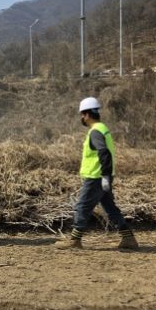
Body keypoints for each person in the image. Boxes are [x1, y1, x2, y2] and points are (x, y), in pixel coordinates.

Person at [57, 97, 139, 250]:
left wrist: (105, 175)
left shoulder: (95, 132)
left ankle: (75, 240)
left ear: (87, 114)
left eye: (82, 115)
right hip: (102, 176)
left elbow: (103, 152)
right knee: (110, 208)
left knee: (82, 206)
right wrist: (107, 176)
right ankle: (128, 238)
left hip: (96, 177)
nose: (82, 118)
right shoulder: (102, 128)